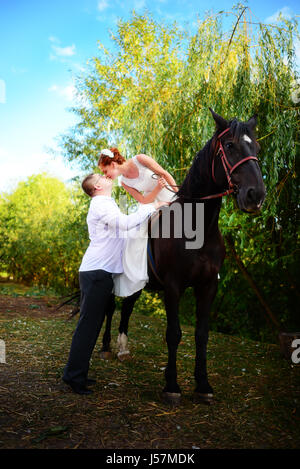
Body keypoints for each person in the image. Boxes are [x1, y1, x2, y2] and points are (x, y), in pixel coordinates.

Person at [62, 173, 164, 395]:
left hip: (100, 272)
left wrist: (154, 205)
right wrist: (152, 205)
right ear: (98, 186)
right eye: (101, 176)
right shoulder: (100, 204)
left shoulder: (107, 203)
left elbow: (125, 233)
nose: (106, 176)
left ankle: (76, 373)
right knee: (87, 327)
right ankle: (73, 377)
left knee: (92, 327)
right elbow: (125, 223)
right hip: (96, 272)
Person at [98, 148, 178, 297]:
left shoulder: (140, 159)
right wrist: (156, 190)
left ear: (112, 163)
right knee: (135, 236)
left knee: (194, 221)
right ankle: (140, 274)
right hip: (151, 201)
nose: (105, 175)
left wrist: (176, 194)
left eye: (105, 170)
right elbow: (142, 200)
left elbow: (164, 174)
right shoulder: (124, 183)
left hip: (168, 191)